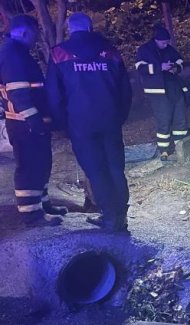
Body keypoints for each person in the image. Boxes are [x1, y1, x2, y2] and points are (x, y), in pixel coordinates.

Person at [46, 12, 132, 232]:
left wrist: (64, 124)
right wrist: (119, 116)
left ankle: (110, 217)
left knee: (95, 171)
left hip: (80, 123)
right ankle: (121, 215)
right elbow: (126, 89)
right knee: (115, 167)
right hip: (110, 120)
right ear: (90, 27)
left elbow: (54, 96)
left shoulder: (59, 54)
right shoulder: (110, 51)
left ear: (69, 29)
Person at [0, 15, 67, 227]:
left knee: (41, 163)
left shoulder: (17, 52)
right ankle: (31, 214)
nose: (36, 37)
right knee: (29, 165)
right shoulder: (12, 54)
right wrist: (33, 119)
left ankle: (41, 203)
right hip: (23, 123)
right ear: (24, 32)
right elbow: (18, 93)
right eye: (35, 33)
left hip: (29, 121)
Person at [135, 25, 188, 161]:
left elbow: (180, 61)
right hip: (158, 91)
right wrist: (160, 68)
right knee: (163, 119)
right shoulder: (145, 50)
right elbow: (140, 68)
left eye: (167, 42)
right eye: (163, 42)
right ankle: (164, 149)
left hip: (174, 88)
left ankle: (181, 145)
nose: (166, 45)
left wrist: (175, 68)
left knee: (179, 117)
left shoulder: (169, 49)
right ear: (156, 40)